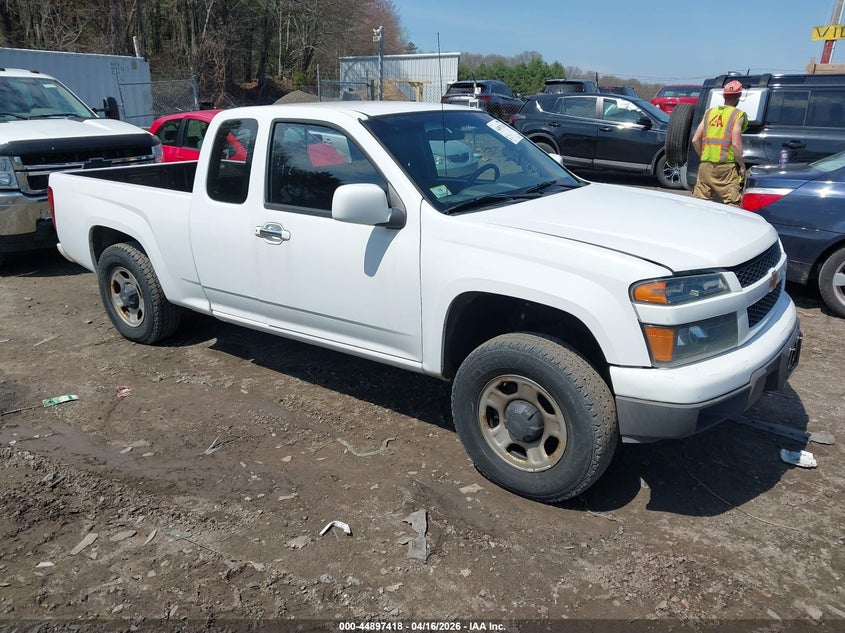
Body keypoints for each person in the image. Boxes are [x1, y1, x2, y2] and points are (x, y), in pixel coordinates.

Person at [691, 79, 748, 206]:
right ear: (739, 96)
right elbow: (736, 144)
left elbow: (695, 140)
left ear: (723, 95)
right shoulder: (738, 115)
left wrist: (704, 156)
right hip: (725, 169)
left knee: (700, 205)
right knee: (732, 204)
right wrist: (742, 166)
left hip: (705, 166)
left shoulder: (709, 112)